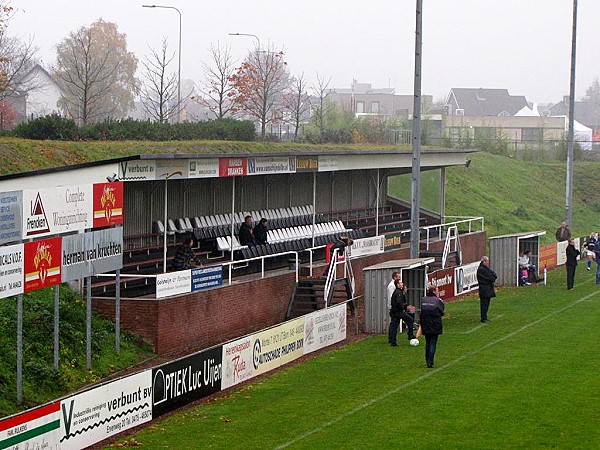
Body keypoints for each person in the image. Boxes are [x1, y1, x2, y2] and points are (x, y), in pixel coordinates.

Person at [420, 285, 445, 368]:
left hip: (425, 324)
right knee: (433, 342)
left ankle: (427, 359)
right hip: (435, 324)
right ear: (434, 291)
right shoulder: (438, 301)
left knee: (427, 342)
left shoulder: (423, 299)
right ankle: (430, 361)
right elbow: (441, 311)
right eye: (437, 290)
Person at [388, 279, 416, 346]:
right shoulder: (398, 293)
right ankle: (410, 335)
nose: (402, 284)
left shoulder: (398, 292)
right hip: (398, 312)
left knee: (394, 326)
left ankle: (392, 340)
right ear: (397, 285)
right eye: (401, 283)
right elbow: (399, 303)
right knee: (410, 320)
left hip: (395, 312)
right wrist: (405, 308)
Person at [476, 256, 497, 323]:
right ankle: (483, 318)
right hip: (484, 289)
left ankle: (485, 317)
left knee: (486, 304)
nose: (488, 263)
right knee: (484, 304)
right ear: (484, 261)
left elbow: (494, 275)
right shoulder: (482, 270)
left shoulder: (485, 268)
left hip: (487, 289)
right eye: (487, 261)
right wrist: (492, 276)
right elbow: (492, 277)